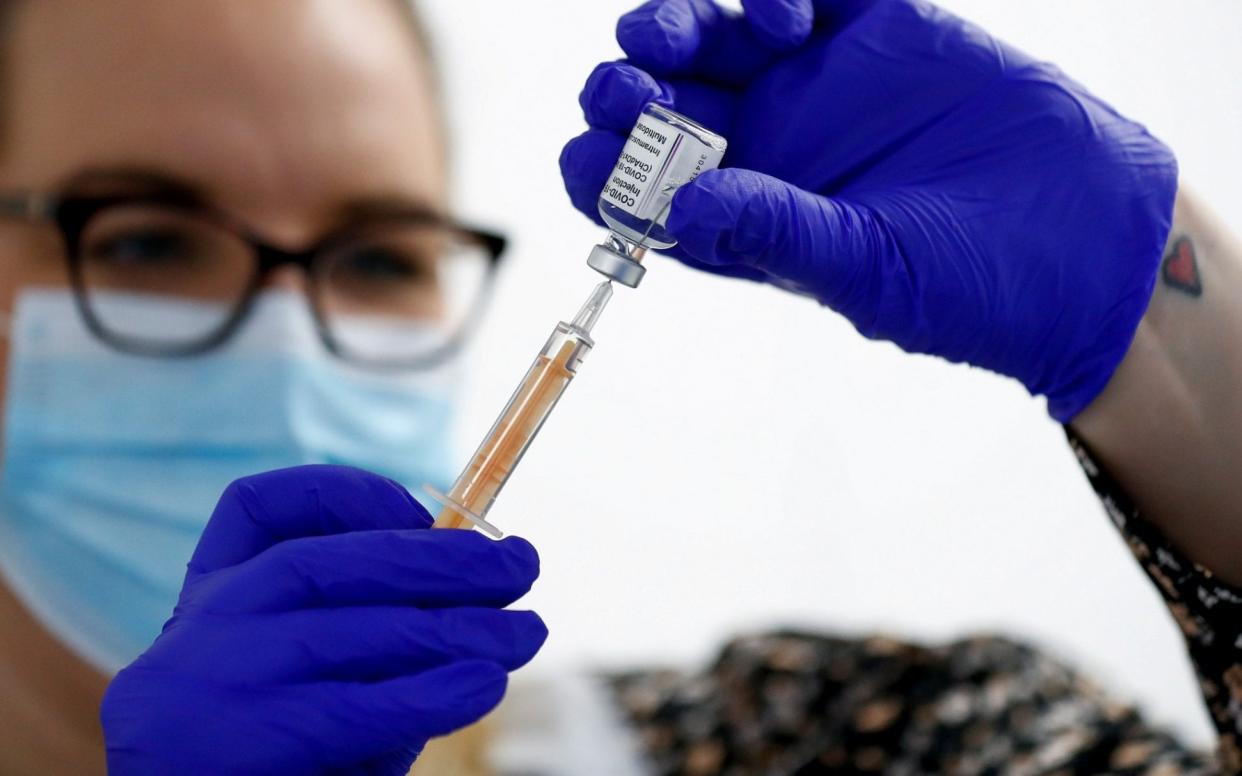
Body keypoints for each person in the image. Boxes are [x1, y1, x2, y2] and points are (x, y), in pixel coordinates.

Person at [0, 0, 1234, 774]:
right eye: (144, 240)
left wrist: (1178, 333)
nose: (288, 332)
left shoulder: (843, 741)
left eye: (379, 255)